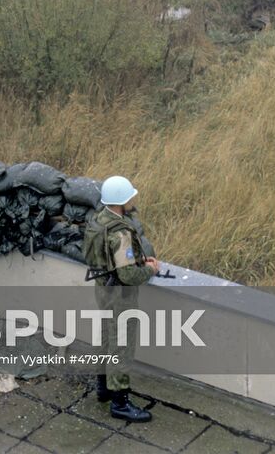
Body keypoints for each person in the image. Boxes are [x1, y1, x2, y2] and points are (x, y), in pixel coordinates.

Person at [82, 174, 160, 423]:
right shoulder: (121, 233)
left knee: (106, 336)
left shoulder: (98, 221)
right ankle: (120, 402)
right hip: (120, 296)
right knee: (121, 346)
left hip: (102, 287)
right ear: (122, 201)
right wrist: (149, 269)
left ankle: (103, 387)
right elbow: (128, 274)